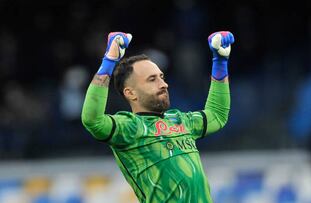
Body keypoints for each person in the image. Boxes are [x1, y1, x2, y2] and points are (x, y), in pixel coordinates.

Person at [81, 31, 234, 203]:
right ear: (130, 93)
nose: (163, 84)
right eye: (152, 79)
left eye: (161, 77)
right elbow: (92, 120)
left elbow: (217, 115)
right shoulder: (130, 128)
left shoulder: (179, 120)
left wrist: (220, 61)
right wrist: (109, 60)